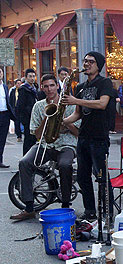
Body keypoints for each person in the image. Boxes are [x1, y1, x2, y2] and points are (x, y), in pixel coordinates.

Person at [10, 74, 80, 221]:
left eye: (52, 85)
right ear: (42, 87)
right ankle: (29, 207)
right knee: (24, 162)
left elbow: (78, 133)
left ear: (57, 86)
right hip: (45, 144)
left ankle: (65, 205)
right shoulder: (38, 106)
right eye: (46, 86)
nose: (49, 89)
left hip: (66, 144)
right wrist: (47, 118)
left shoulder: (70, 104)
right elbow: (37, 134)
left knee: (65, 165)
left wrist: (64, 122)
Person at [62, 51, 115, 221]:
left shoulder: (105, 82)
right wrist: (61, 122)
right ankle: (90, 211)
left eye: (90, 62)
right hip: (83, 137)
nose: (86, 64)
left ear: (99, 65)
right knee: (83, 177)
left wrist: (76, 100)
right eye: (85, 61)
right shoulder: (80, 87)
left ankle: (107, 213)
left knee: (102, 177)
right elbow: (78, 114)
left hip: (99, 137)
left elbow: (102, 104)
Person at [16, 68, 39, 155]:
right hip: (28, 118)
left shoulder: (34, 87)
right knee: (28, 140)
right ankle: (26, 159)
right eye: (30, 76)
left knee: (34, 139)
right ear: (26, 77)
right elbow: (21, 105)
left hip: (35, 117)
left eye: (33, 76)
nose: (32, 78)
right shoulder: (23, 89)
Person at [0, 68, 16, 168]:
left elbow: (7, 101)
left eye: (0, 72)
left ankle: (0, 160)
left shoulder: (5, 87)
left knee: (2, 139)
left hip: (4, 115)